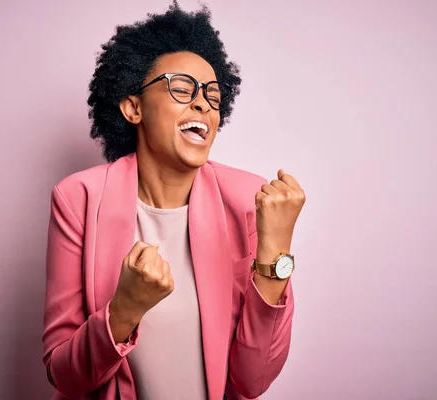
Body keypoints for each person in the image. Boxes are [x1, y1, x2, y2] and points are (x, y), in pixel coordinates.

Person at [42, 2, 306, 399]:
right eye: (181, 88)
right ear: (133, 107)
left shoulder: (251, 202)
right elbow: (65, 375)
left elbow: (252, 381)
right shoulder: (77, 199)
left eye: (213, 96)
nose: (203, 104)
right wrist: (124, 309)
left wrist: (276, 253)